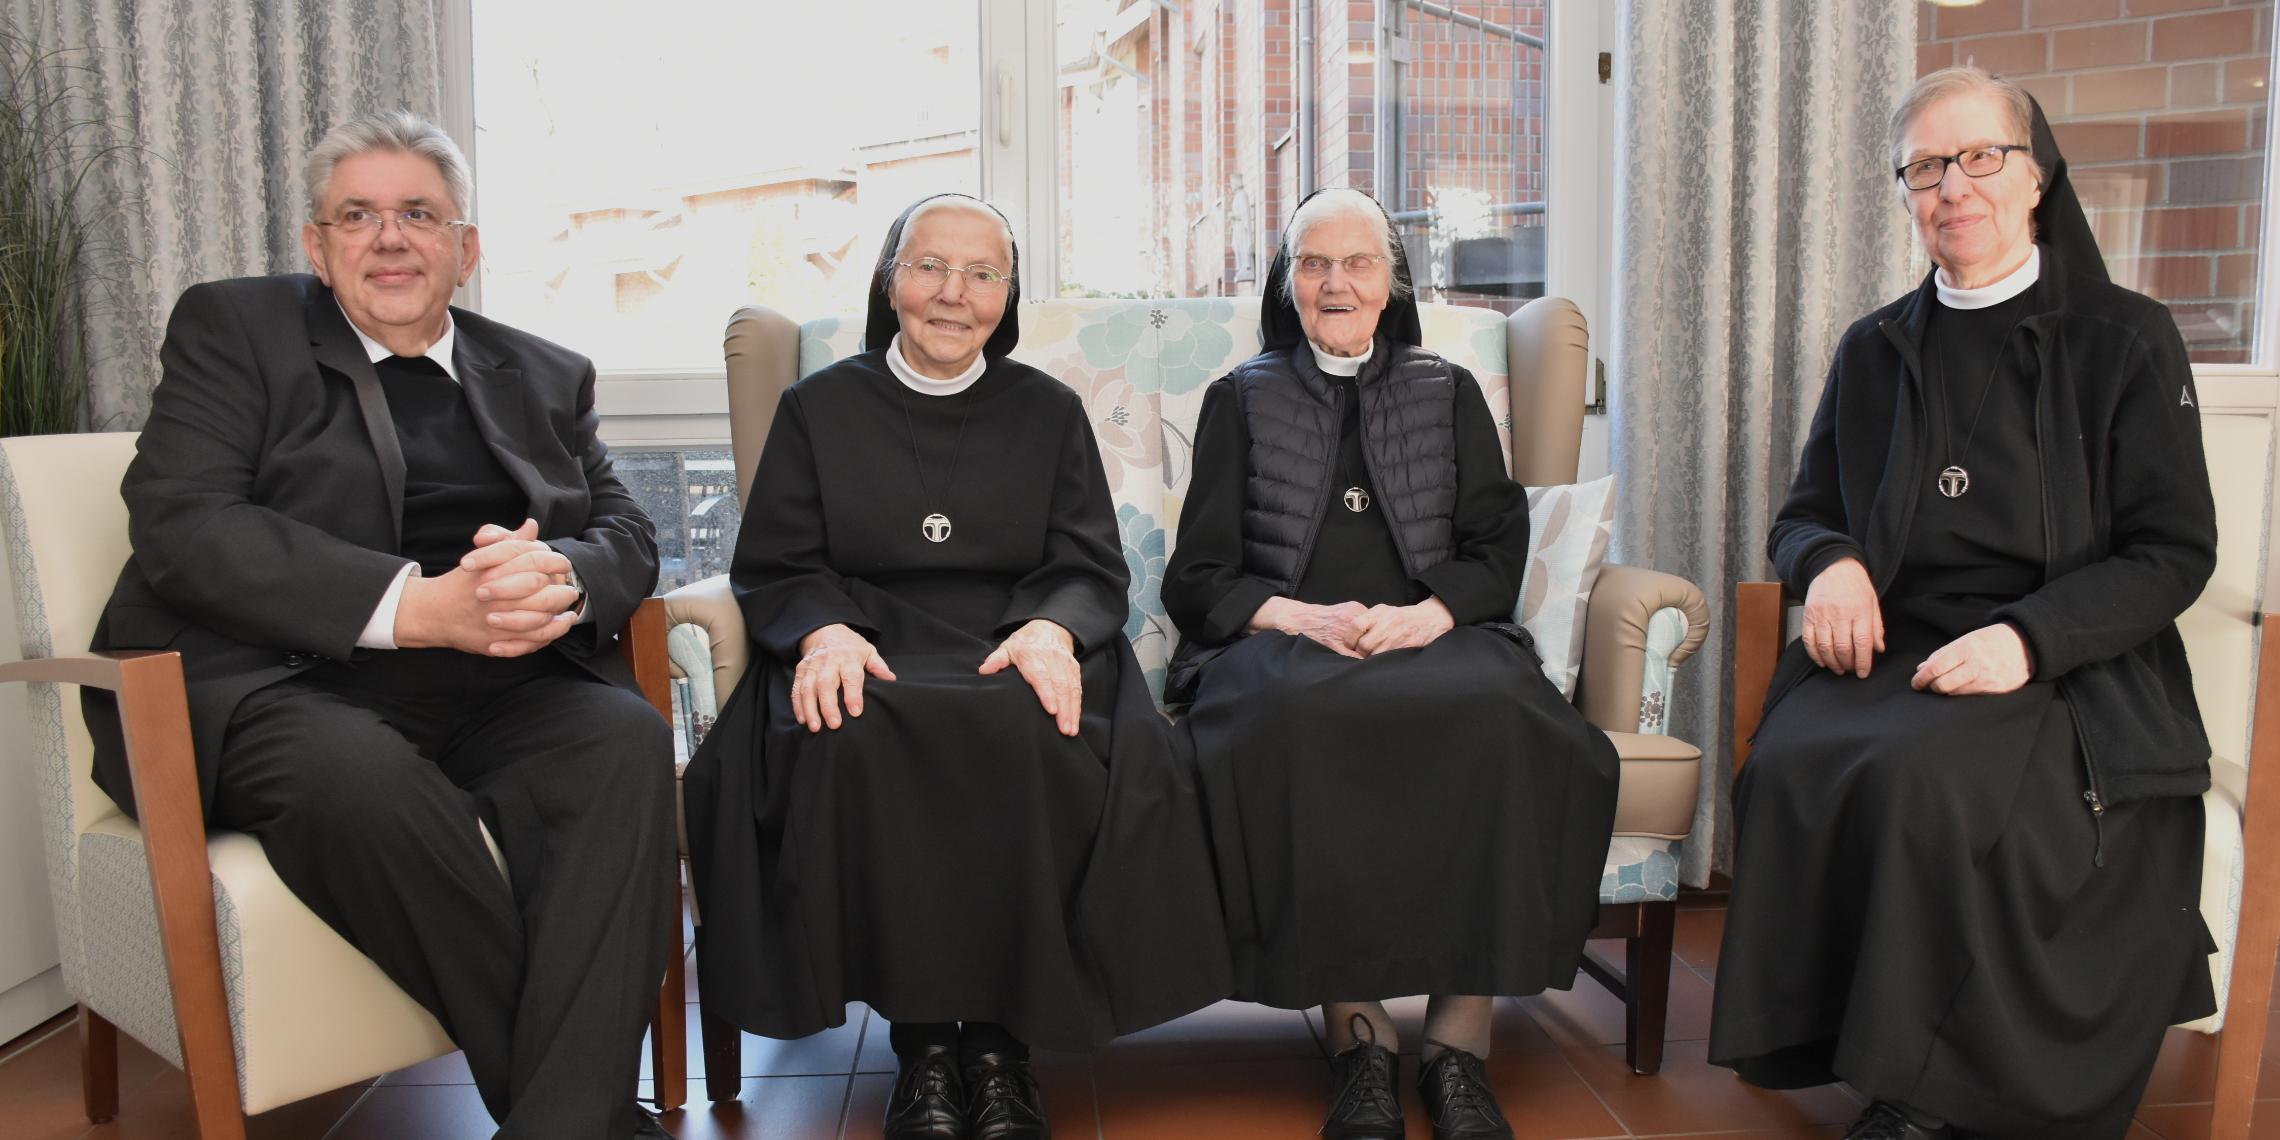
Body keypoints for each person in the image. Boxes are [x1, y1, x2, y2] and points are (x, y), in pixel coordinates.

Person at [82, 112, 679, 1138]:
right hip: (276, 680)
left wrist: (564, 575)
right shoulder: (235, 330)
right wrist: (415, 607)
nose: (388, 238)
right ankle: (587, 1123)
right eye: (356, 215)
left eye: (418, 214)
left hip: (501, 684)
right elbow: (183, 523)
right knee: (356, 775)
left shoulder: (542, 370)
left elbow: (625, 525)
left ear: (466, 248)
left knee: (623, 739)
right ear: (317, 246)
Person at [1707, 67, 2219, 1140]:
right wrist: (1833, 562)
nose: (1955, 185)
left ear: (2035, 179)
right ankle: (1837, 1040)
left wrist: (2029, 640)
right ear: (1906, 192)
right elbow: (1804, 513)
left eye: (1981, 156)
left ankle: (1933, 1097)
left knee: (1927, 783)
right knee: (1789, 764)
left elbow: (2175, 552)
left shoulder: (2124, 337)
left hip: (2065, 657)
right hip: (1901, 643)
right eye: (1928, 166)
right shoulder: (1875, 347)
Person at [682, 193, 1231, 1140]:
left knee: (1036, 727)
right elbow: (776, 563)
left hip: (1013, 638)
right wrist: (822, 633)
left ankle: (1001, 1050)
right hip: (865, 640)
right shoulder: (819, 408)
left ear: (1006, 297)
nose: (953, 294)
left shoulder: (1048, 411)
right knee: (848, 727)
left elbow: (1089, 562)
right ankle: (926, 1047)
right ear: (893, 281)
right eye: (931, 267)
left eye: (982, 275)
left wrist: (1053, 632)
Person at [1162, 187, 1620, 1140]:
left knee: (1502, 714)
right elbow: (1198, 578)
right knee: (1299, 724)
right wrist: (1293, 615)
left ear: (1390, 281)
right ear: (1289, 285)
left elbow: (1499, 548)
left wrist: (1428, 616)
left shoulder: (1446, 390)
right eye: (1314, 264)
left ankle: (1459, 1050)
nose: (1336, 283)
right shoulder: (1237, 398)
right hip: (1285, 646)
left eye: (1357, 263)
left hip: (1436, 638)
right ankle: (1362, 1047)